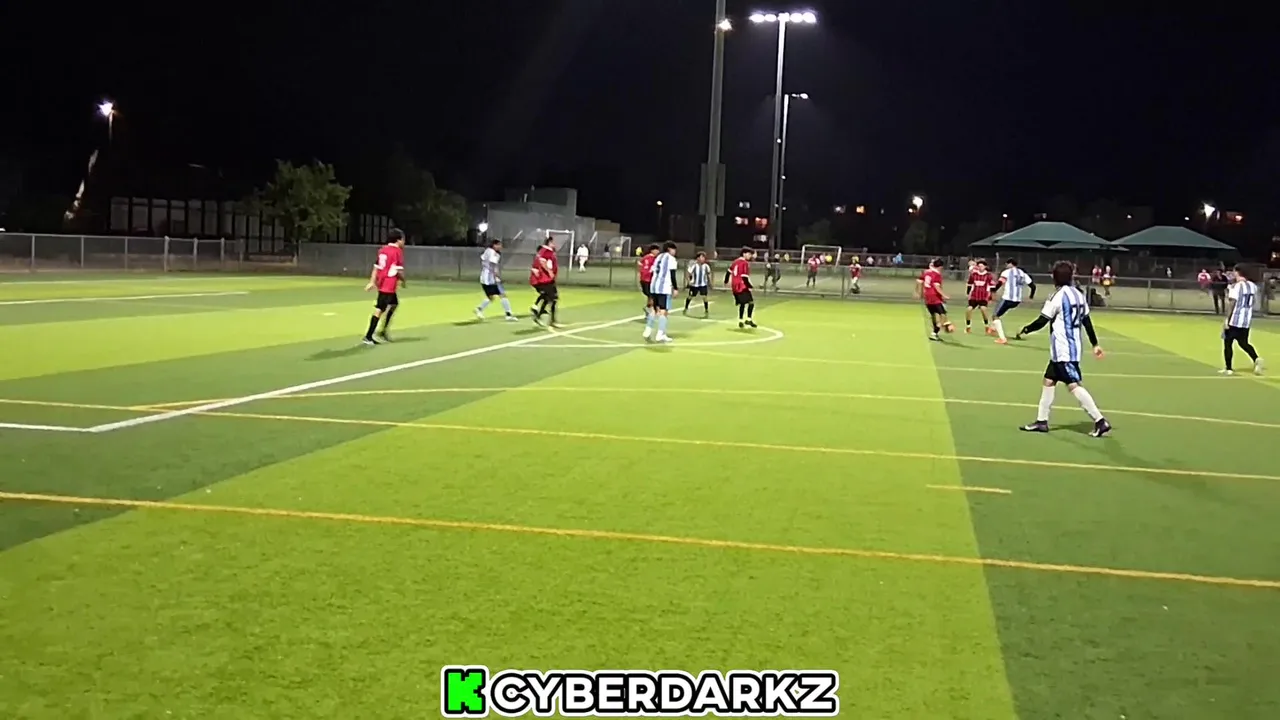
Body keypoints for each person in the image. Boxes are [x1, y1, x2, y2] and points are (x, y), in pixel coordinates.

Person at [1014, 260, 1112, 438]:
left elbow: (1043, 320)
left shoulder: (1057, 296)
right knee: (1048, 381)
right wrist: (1095, 343)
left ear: (1054, 277)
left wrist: (1025, 329)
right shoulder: (1079, 295)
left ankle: (1100, 420)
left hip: (1063, 350)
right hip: (1071, 348)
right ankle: (1042, 421)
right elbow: (1087, 321)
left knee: (1074, 385)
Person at [362, 228, 406, 345]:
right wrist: (403, 280)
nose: (404, 242)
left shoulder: (382, 250)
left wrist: (372, 282)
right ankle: (368, 336)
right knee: (380, 309)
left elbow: (376, 267)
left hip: (382, 282)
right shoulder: (397, 251)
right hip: (389, 284)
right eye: (403, 240)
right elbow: (398, 271)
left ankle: (382, 331)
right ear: (398, 240)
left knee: (394, 304)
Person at [1221, 264, 1265, 375]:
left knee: (1228, 343)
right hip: (1245, 320)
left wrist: (1227, 319)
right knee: (1243, 343)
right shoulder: (1252, 286)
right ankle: (1256, 358)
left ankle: (1228, 368)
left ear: (1237, 272)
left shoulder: (1236, 287)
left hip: (1235, 319)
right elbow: (1253, 301)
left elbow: (1232, 303)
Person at [990, 258, 1035, 345]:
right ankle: (993, 328)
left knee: (995, 316)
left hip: (1007, 298)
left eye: (1007, 264)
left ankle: (1002, 338)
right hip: (1017, 300)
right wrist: (1031, 296)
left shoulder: (1007, 272)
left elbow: (1000, 283)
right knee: (999, 313)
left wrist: (993, 290)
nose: (1006, 266)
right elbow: (1033, 286)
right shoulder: (1022, 273)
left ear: (1010, 264)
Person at [475, 240, 518, 322]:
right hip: (489, 279)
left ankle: (479, 309)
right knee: (502, 295)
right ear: (494, 245)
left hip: (484, 277)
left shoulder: (487, 250)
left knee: (491, 297)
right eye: (499, 245)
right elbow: (494, 266)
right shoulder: (493, 253)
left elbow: (483, 260)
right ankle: (508, 315)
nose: (500, 247)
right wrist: (497, 277)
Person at [645, 242, 679, 343]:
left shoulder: (658, 257)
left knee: (654, 310)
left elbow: (652, 271)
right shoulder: (671, 259)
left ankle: (647, 330)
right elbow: (672, 274)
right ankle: (660, 334)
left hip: (654, 286)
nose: (675, 251)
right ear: (669, 249)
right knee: (663, 311)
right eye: (674, 249)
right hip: (664, 288)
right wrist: (675, 288)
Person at [915, 258, 954, 341]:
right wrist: (944, 295)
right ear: (940, 267)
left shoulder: (927, 273)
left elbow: (919, 281)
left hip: (927, 296)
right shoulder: (937, 275)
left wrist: (919, 292)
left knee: (933, 314)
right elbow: (936, 286)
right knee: (943, 315)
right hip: (935, 297)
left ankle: (936, 331)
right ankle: (937, 330)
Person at [529, 236, 560, 327]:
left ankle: (540, 315)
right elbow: (542, 262)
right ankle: (551, 320)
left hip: (547, 280)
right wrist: (550, 272)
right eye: (553, 242)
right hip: (546, 280)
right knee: (552, 299)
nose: (555, 244)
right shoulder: (546, 251)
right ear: (549, 242)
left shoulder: (545, 251)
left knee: (549, 298)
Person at [729, 247, 757, 328]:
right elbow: (744, 277)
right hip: (741, 286)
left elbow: (729, 271)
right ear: (744, 254)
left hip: (734, 286)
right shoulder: (744, 263)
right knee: (751, 302)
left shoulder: (735, 261)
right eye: (749, 254)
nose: (750, 256)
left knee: (742, 303)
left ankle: (740, 320)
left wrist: (726, 280)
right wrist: (749, 286)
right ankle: (748, 319)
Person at [965, 259, 994, 334]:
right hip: (974, 296)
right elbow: (969, 284)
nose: (980, 267)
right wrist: (968, 293)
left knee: (983, 309)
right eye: (979, 266)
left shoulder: (988, 276)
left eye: (982, 266)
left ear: (985, 267)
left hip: (983, 296)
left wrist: (991, 297)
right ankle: (968, 327)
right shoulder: (974, 275)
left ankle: (986, 326)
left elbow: (992, 287)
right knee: (969, 309)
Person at [684, 252, 711, 316]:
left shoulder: (706, 266)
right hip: (694, 285)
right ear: (698, 258)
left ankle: (706, 309)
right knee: (690, 296)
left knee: (704, 297)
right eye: (701, 257)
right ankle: (686, 307)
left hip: (703, 284)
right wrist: (689, 281)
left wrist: (709, 282)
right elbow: (688, 273)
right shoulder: (694, 266)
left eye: (703, 257)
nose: (703, 259)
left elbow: (709, 274)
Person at [638, 244, 659, 318]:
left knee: (649, 296)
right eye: (656, 250)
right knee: (651, 295)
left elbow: (639, 263)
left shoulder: (645, 257)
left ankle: (648, 310)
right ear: (652, 250)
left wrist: (641, 271)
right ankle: (649, 308)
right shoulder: (654, 259)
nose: (658, 252)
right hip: (648, 279)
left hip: (643, 279)